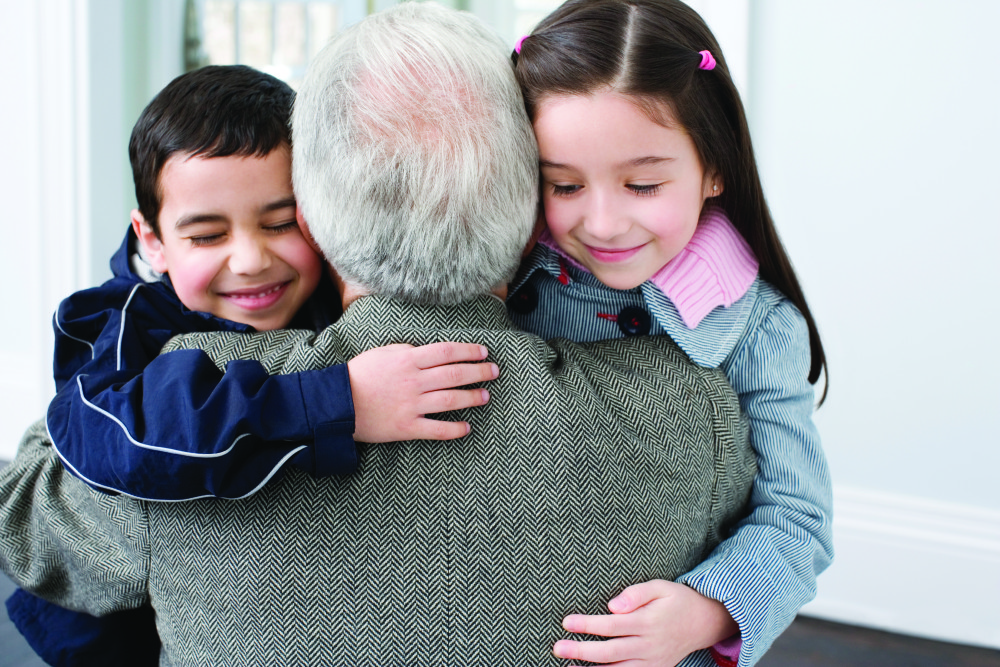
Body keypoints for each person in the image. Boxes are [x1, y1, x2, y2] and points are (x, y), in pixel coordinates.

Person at [0, 3, 756, 664]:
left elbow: (23, 520)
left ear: (311, 221)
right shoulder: (694, 409)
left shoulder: (184, 406)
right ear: (534, 216)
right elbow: (783, 541)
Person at [7, 64, 497, 667]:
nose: (250, 259)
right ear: (153, 241)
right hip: (113, 634)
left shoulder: (332, 294)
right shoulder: (127, 321)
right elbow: (114, 434)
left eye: (279, 223)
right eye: (208, 235)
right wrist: (337, 401)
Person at [507, 1, 834, 665]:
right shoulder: (505, 286)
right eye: (564, 184)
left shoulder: (759, 327)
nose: (602, 222)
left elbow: (798, 517)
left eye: (644, 183)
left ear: (714, 168)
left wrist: (705, 610)